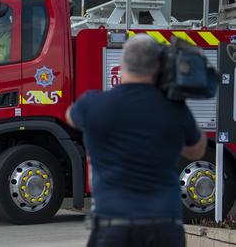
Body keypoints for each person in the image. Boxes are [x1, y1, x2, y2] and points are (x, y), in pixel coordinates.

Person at [65, 34, 207, 247]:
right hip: (164, 225)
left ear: (121, 64)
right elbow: (196, 151)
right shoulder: (175, 109)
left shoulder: (92, 105)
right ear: (158, 67)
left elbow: (70, 116)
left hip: (113, 226)